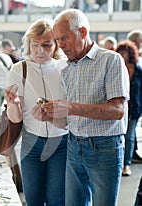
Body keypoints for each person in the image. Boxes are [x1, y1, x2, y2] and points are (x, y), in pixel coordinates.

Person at [32, 9, 129, 205]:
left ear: (83, 32)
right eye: (58, 40)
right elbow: (68, 121)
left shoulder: (111, 60)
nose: (61, 45)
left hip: (104, 148)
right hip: (74, 145)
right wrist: (49, 116)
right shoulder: (67, 69)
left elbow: (118, 111)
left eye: (64, 38)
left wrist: (71, 107)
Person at [5, 19, 68, 205]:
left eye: (47, 45)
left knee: (57, 199)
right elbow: (15, 119)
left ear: (56, 44)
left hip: (61, 142)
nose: (40, 50)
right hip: (31, 142)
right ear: (29, 44)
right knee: (33, 200)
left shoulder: (65, 67)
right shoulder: (19, 69)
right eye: (35, 45)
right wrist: (14, 103)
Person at [116, 40, 142, 176]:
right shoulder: (116, 68)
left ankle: (126, 164)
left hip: (134, 109)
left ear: (130, 53)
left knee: (130, 137)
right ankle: (120, 163)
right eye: (120, 52)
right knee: (120, 136)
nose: (122, 55)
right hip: (119, 108)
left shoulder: (138, 70)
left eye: (124, 52)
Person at [127, 29, 142, 163]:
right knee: (129, 135)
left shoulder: (138, 68)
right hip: (125, 106)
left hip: (135, 106)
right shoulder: (119, 66)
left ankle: (129, 158)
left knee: (130, 135)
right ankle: (128, 157)